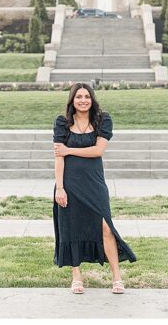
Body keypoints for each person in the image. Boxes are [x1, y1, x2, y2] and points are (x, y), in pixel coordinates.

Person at [52, 83, 136, 294]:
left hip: (94, 183)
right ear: (72, 100)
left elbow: (98, 150)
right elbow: (58, 158)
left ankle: (117, 277)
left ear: (92, 99)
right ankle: (76, 277)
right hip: (69, 183)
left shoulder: (102, 120)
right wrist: (60, 188)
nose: (83, 100)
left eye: (87, 96)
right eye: (78, 96)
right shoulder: (62, 123)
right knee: (70, 227)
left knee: (105, 227)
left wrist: (68, 149)